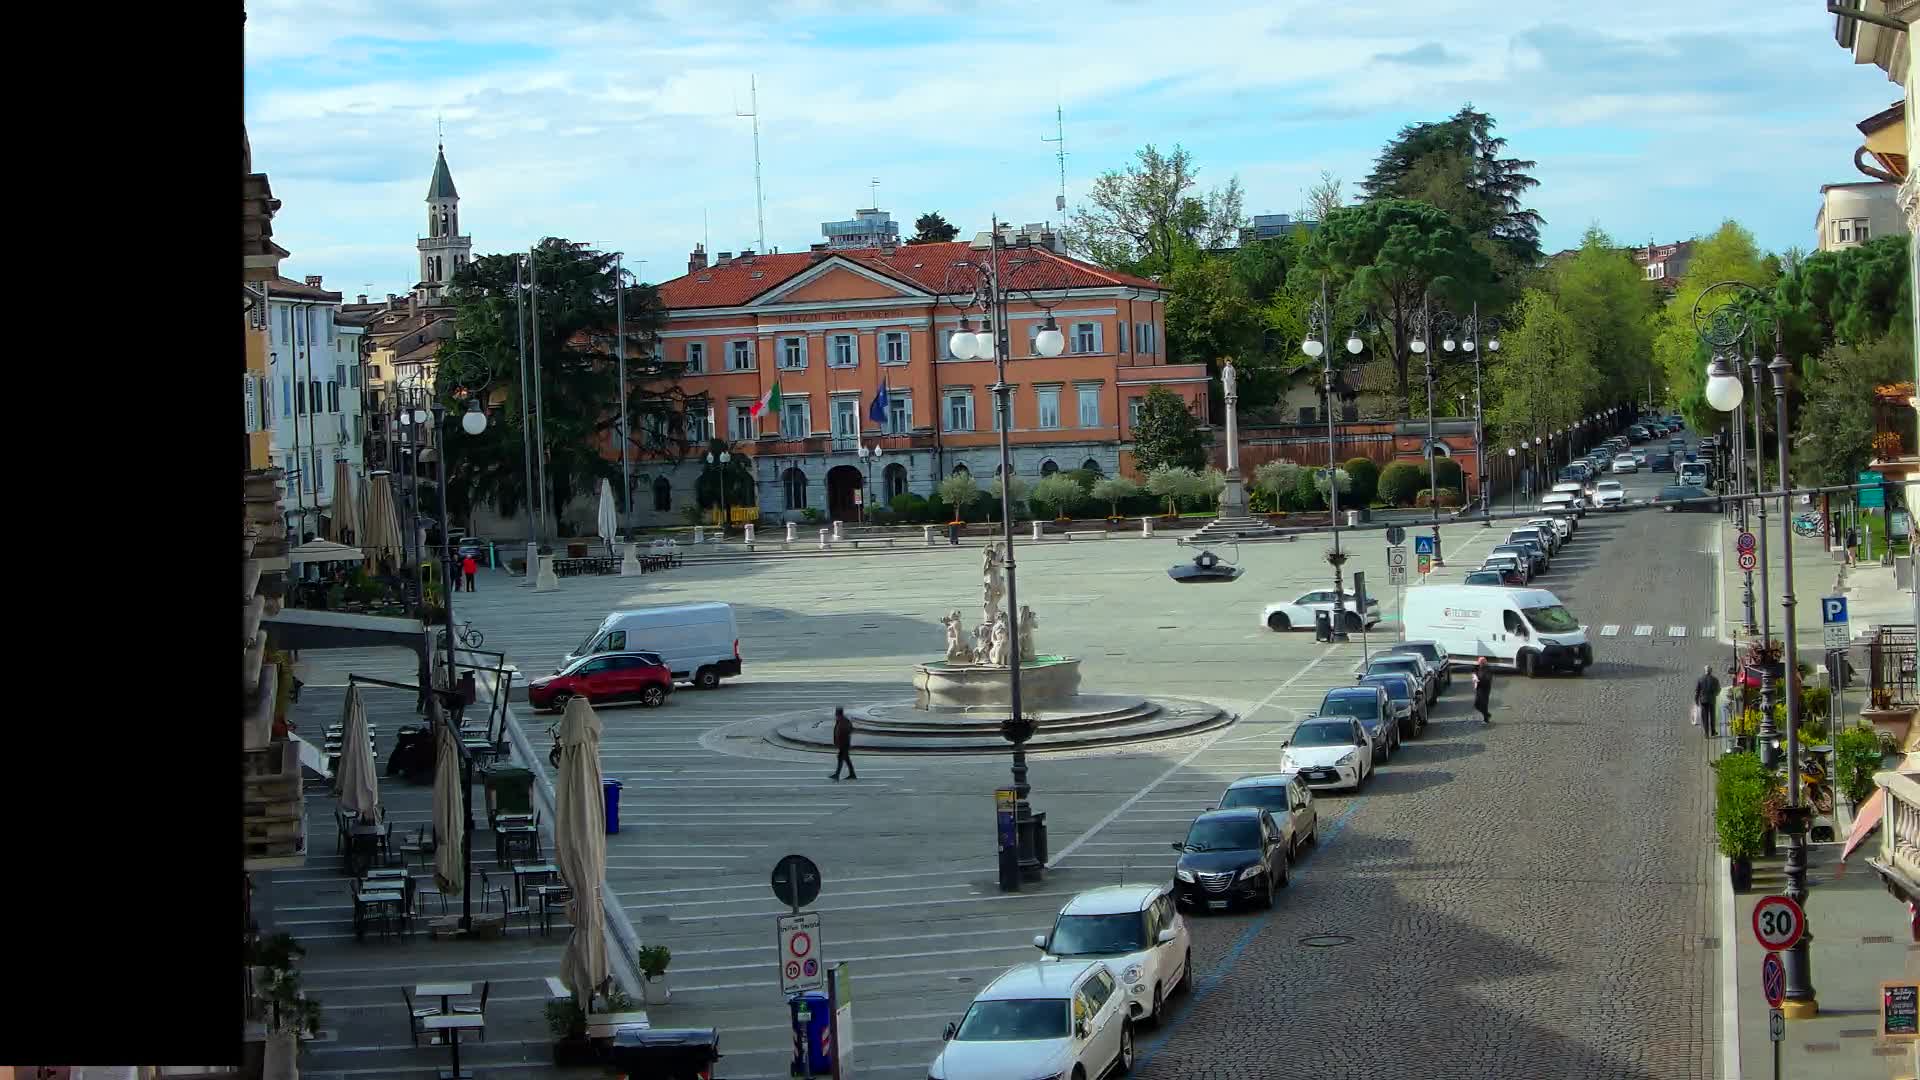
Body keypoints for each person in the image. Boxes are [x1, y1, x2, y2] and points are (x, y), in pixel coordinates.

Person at [829, 707, 857, 781]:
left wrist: (840, 741)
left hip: (844, 743)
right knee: (844, 758)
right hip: (843, 743)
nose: (835, 714)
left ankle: (839, 775)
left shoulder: (843, 721)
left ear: (838, 713)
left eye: (836, 713)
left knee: (843, 758)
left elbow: (845, 732)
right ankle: (850, 774)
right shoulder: (841, 720)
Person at [1693, 663, 1721, 736]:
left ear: (1705, 671)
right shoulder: (1715, 679)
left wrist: (1696, 700)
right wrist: (1715, 694)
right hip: (1712, 700)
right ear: (1711, 671)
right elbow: (1718, 689)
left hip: (1703, 700)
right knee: (1712, 716)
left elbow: (1697, 691)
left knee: (1705, 717)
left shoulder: (1700, 679)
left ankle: (1706, 733)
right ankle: (1713, 731)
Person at [1471, 657, 1493, 725]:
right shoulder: (1477, 667)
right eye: (1480, 662)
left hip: (1485, 689)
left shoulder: (1488, 670)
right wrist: (1474, 676)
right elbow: (1474, 671)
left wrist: (1478, 680)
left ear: (1485, 662)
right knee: (1476, 704)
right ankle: (1487, 714)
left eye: (1483, 662)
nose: (1481, 663)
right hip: (1479, 688)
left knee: (1484, 704)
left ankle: (1486, 719)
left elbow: (1487, 679)